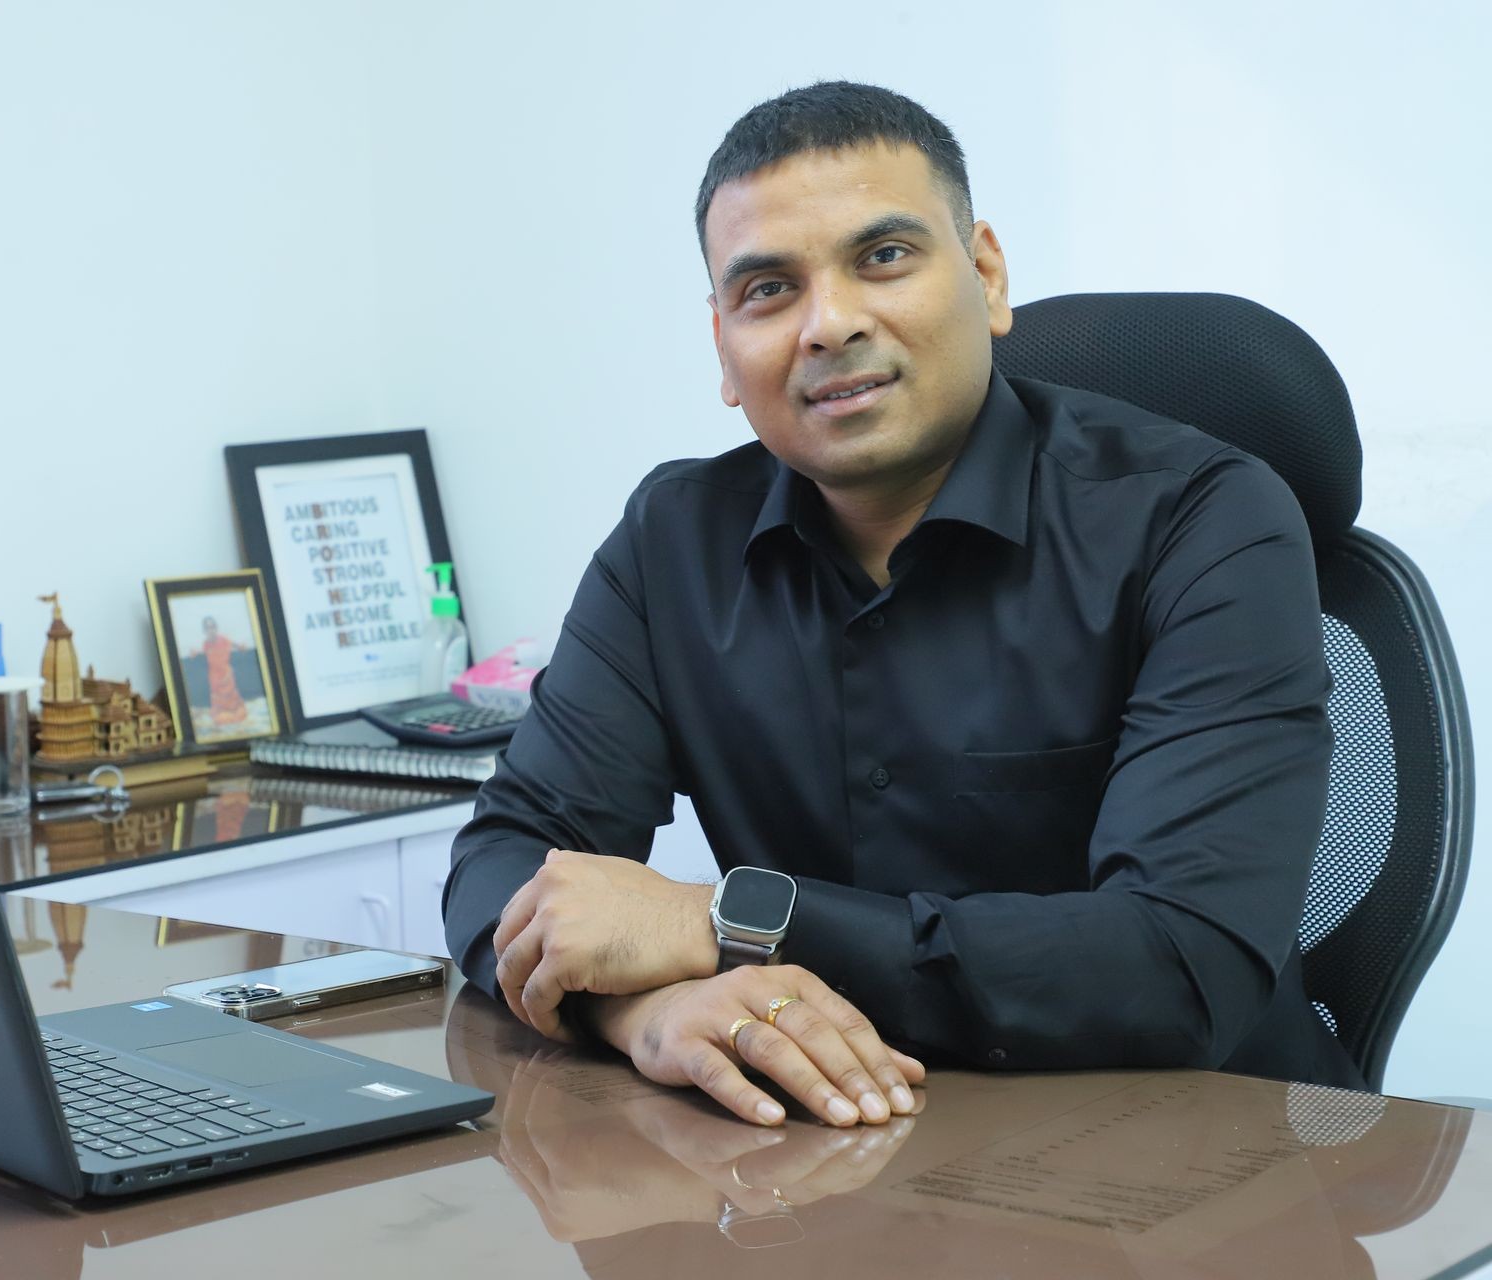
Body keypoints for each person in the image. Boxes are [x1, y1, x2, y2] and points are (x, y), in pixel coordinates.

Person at [442, 81, 1362, 1132]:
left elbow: (1178, 964)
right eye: (768, 289)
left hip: (1197, 1161)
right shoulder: (672, 543)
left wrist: (725, 922)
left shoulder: (1203, 518)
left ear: (986, 275)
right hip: (835, 1155)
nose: (830, 323)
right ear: (724, 348)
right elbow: (510, 858)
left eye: (882, 257)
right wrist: (641, 1007)